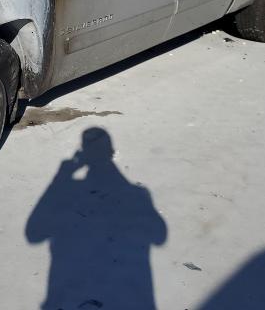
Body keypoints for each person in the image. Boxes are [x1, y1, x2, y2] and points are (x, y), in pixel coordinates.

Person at [26, 127, 167, 309]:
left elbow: (33, 234)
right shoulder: (138, 194)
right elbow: (159, 236)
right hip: (125, 294)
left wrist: (61, 177)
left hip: (67, 291)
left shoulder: (71, 190)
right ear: (110, 152)